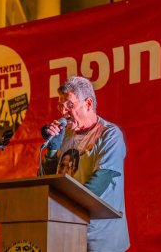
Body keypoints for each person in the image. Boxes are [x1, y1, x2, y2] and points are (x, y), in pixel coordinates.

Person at [41, 76, 130, 252]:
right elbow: (47, 181)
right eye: (61, 106)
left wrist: (62, 208)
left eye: (69, 105)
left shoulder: (110, 135)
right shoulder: (65, 135)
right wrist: (52, 150)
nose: (63, 112)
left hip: (101, 238)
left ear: (88, 103)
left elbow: (99, 183)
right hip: (68, 231)